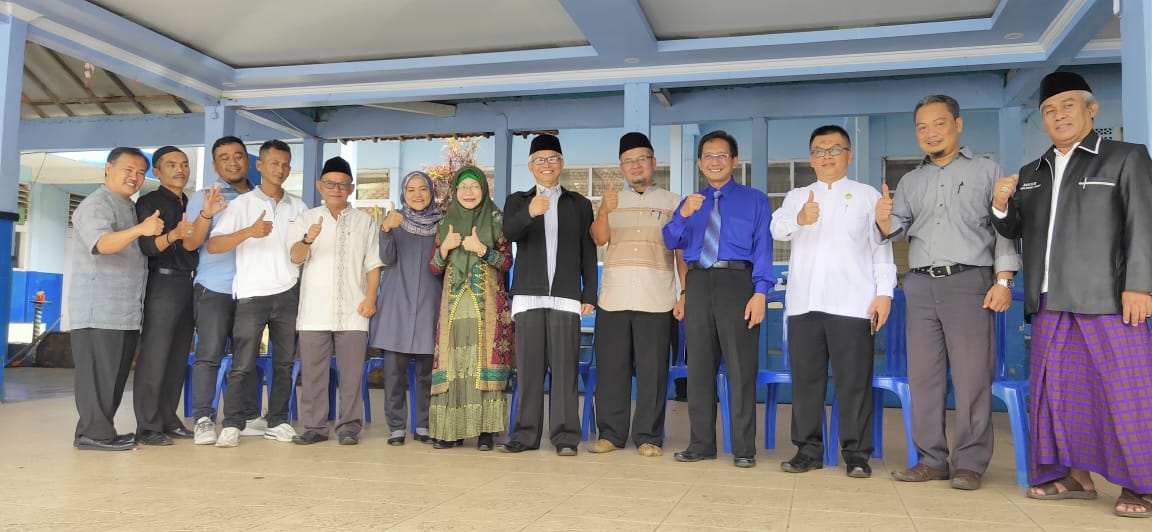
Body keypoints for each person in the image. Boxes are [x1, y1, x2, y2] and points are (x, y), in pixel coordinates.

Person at [991, 71, 1152, 517]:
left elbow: (1144, 223)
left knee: (1127, 393)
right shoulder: (1032, 172)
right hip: (1048, 301)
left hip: (1109, 299)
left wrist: (1139, 285)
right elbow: (1015, 229)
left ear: (1090, 109)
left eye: (1067, 105)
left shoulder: (1125, 157)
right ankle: (1073, 476)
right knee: (1058, 394)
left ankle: (1142, 484)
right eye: (1048, 109)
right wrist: (1001, 205)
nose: (1058, 115)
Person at [876, 95, 1020, 490]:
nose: (930, 133)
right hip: (920, 285)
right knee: (924, 377)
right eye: (922, 127)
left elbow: (1004, 230)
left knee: (972, 377)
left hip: (969, 283)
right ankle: (931, 460)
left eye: (938, 123)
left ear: (958, 124)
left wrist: (1004, 281)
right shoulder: (911, 181)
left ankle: (969, 463)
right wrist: (883, 219)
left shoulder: (987, 171)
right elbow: (894, 231)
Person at [770, 125, 896, 477]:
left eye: (834, 149)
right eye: (819, 150)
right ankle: (807, 450)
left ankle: (857, 454)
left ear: (848, 155)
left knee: (853, 382)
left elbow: (881, 247)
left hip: (853, 304)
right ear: (811, 158)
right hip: (804, 304)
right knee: (806, 382)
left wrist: (884, 293)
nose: (826, 156)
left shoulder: (867, 195)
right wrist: (800, 218)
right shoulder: (797, 196)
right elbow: (777, 228)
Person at [662, 130, 772, 468]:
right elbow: (669, 241)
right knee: (699, 368)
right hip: (698, 282)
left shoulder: (755, 200)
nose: (715, 161)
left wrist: (760, 292)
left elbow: (763, 248)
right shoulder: (690, 202)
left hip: (737, 282)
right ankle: (701, 444)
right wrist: (682, 214)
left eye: (722, 155)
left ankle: (744, 448)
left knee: (740, 368)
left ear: (734, 161)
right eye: (708, 156)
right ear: (699, 163)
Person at [587, 132, 686, 457]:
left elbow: (681, 253)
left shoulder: (674, 203)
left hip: (656, 298)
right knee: (611, 371)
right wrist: (604, 211)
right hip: (613, 297)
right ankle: (611, 435)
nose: (635, 165)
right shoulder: (612, 201)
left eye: (641, 159)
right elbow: (598, 239)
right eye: (628, 161)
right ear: (622, 167)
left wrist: (684, 293)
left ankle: (648, 436)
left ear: (653, 162)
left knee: (652, 372)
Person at [501, 134, 598, 456]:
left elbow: (588, 250)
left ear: (561, 164)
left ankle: (566, 436)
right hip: (528, 297)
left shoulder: (579, 204)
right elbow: (509, 233)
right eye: (540, 160)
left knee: (565, 370)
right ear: (530, 166)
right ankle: (525, 435)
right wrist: (530, 212)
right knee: (529, 371)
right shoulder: (517, 200)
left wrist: (589, 292)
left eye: (552, 159)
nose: (546, 165)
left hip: (566, 298)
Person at [207, 139, 308, 448]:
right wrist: (248, 232)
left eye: (285, 164)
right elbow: (214, 245)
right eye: (274, 163)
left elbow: (302, 252)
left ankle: (277, 422)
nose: (280, 169)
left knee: (284, 363)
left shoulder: (299, 207)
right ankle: (232, 424)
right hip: (251, 294)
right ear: (260, 166)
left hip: (288, 293)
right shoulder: (242, 204)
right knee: (243, 362)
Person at [67, 147, 161, 451]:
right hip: (98, 309)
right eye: (128, 169)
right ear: (108, 168)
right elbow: (103, 244)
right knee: (97, 376)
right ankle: (91, 434)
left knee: (113, 376)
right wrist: (142, 229)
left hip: (125, 310)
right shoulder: (96, 205)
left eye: (140, 172)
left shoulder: (128, 206)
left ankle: (102, 430)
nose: (134, 177)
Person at [131, 146, 225, 445]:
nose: (180, 169)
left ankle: (168, 419)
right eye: (171, 165)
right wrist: (173, 235)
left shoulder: (192, 201)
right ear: (156, 172)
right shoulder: (149, 202)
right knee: (155, 355)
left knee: (177, 356)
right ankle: (148, 426)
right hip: (162, 282)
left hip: (189, 282)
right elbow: (147, 247)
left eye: (184, 164)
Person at [290, 156, 383, 445]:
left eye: (342, 184)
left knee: (352, 374)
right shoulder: (307, 218)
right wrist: (307, 239)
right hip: (314, 310)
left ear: (351, 188)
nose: (336, 189)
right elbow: (295, 257)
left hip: (354, 309)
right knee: (313, 373)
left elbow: (373, 264)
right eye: (330, 184)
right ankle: (315, 427)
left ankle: (348, 427)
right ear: (320, 186)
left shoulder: (365, 221)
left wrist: (371, 298)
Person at [428, 166, 513, 450]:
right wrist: (444, 249)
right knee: (454, 365)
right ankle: (451, 431)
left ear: (484, 190)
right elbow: (434, 268)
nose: (468, 192)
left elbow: (507, 262)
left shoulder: (498, 220)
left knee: (482, 363)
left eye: (474, 186)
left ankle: (485, 432)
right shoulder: (445, 224)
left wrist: (482, 249)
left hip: (487, 306)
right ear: (455, 192)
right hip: (453, 307)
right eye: (463, 187)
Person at [187, 136, 258, 445]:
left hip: (252, 289)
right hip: (215, 287)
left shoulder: (260, 197)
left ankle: (245, 417)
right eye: (224, 157)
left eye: (238, 155)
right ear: (215, 165)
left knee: (247, 356)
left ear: (248, 161)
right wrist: (206, 213)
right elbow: (191, 243)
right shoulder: (204, 196)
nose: (232, 162)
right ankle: (203, 419)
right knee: (209, 354)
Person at [370, 171, 443, 446]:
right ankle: (396, 426)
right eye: (411, 189)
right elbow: (386, 258)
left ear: (431, 193)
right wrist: (386, 229)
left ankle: (423, 424)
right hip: (397, 305)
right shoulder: (394, 221)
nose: (417, 195)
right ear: (403, 194)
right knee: (394, 372)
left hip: (429, 304)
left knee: (427, 372)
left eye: (422, 189)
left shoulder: (441, 225)